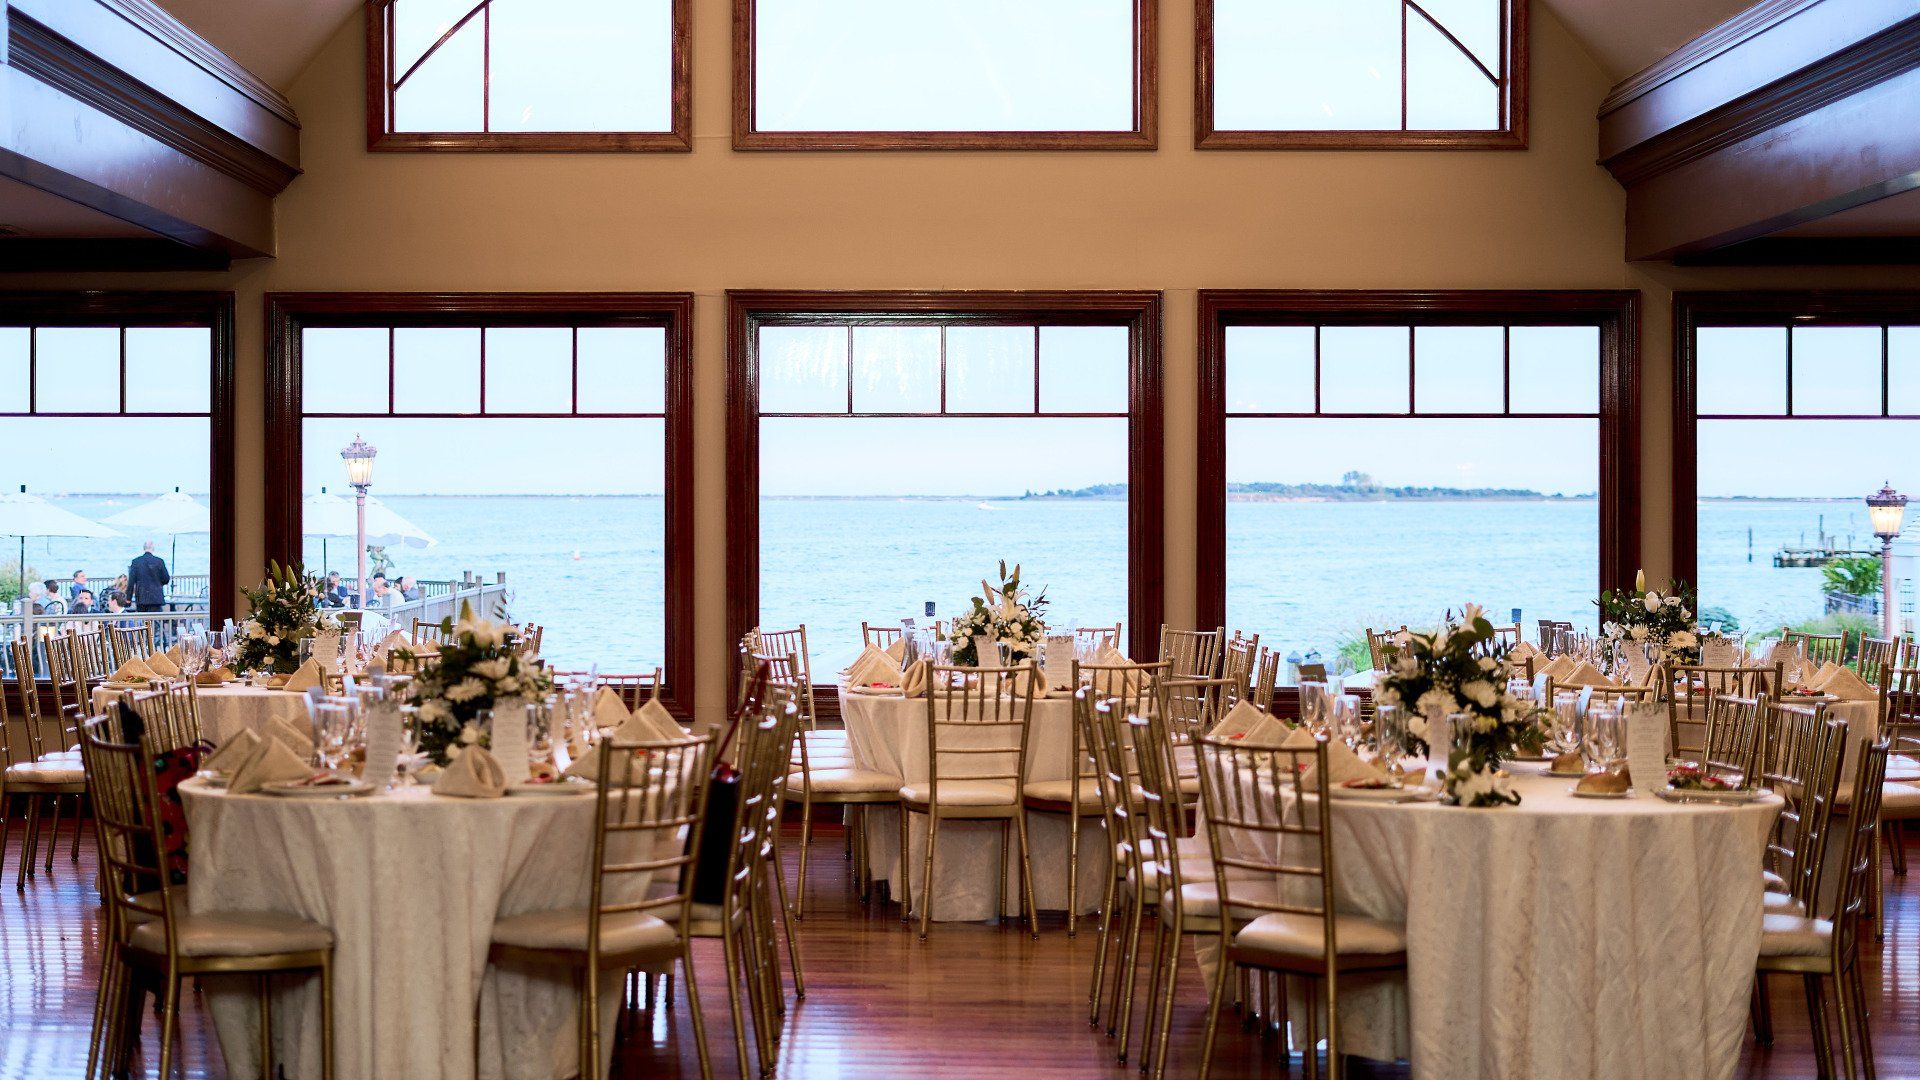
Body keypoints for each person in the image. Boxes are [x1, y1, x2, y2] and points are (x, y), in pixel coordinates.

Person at [128, 540, 170, 613]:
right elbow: (166, 579)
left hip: (141, 598)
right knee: (155, 621)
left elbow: (131, 582)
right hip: (156, 598)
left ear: (144, 548)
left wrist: (128, 598)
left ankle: (147, 625)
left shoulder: (136, 562)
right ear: (153, 548)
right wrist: (158, 583)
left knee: (144, 621)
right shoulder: (159, 561)